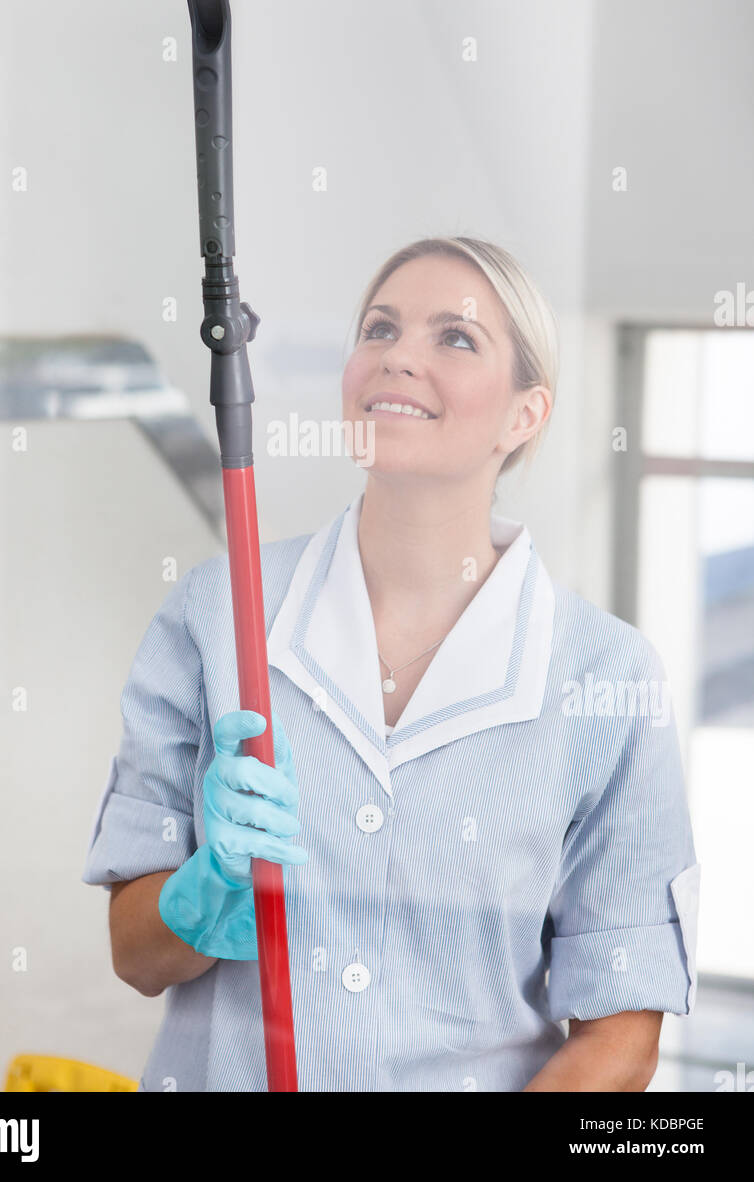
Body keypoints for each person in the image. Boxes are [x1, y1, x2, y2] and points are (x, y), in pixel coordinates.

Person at [82, 235, 700, 1092]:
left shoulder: (608, 680)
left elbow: (621, 1036)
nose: (399, 357)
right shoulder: (218, 616)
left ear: (525, 414)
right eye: (379, 329)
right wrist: (204, 887)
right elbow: (136, 956)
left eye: (455, 337)